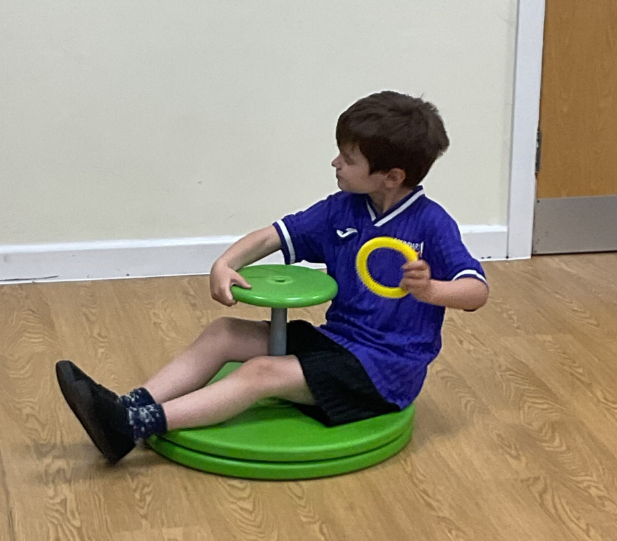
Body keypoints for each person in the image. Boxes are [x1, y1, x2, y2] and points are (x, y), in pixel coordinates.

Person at [56, 90, 489, 464]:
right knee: (224, 333)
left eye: (349, 159)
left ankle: (131, 426)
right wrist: (225, 263)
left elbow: (476, 291)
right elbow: (274, 235)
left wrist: (431, 290)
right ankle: (127, 407)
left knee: (261, 372)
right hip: (338, 340)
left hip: (383, 371)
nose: (335, 163)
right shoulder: (343, 209)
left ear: (391, 177)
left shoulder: (432, 224)